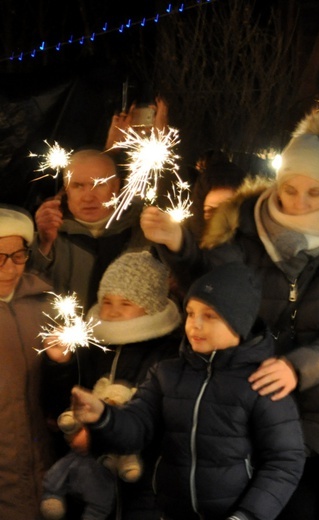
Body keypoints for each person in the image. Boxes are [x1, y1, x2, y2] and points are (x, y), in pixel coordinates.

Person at [140, 110, 319, 519]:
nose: (298, 202)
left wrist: (297, 368)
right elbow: (215, 288)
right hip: (257, 408)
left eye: (314, 192)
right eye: (290, 189)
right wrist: (180, 245)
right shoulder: (245, 232)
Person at [71, 262, 306, 520]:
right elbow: (136, 428)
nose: (195, 325)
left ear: (239, 322)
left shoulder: (262, 382)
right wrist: (103, 416)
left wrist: (249, 515)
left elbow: (284, 461)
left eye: (210, 315)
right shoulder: (166, 374)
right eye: (191, 313)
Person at [43, 250, 182, 519]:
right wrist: (60, 365)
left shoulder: (167, 353)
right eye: (107, 301)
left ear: (151, 305)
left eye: (126, 303)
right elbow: (59, 408)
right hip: (88, 486)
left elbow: (156, 422)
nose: (114, 311)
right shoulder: (90, 346)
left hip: (144, 490)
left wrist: (95, 439)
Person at [29, 148, 148, 313]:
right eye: (78, 186)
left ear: (116, 185)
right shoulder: (45, 234)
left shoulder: (144, 231)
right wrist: (43, 245)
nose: (88, 197)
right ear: (66, 189)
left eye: (99, 184)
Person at [0, 203, 57, 520]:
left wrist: (61, 364)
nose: (10, 269)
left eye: (18, 256)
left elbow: (58, 383)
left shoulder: (43, 303)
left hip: (43, 464)